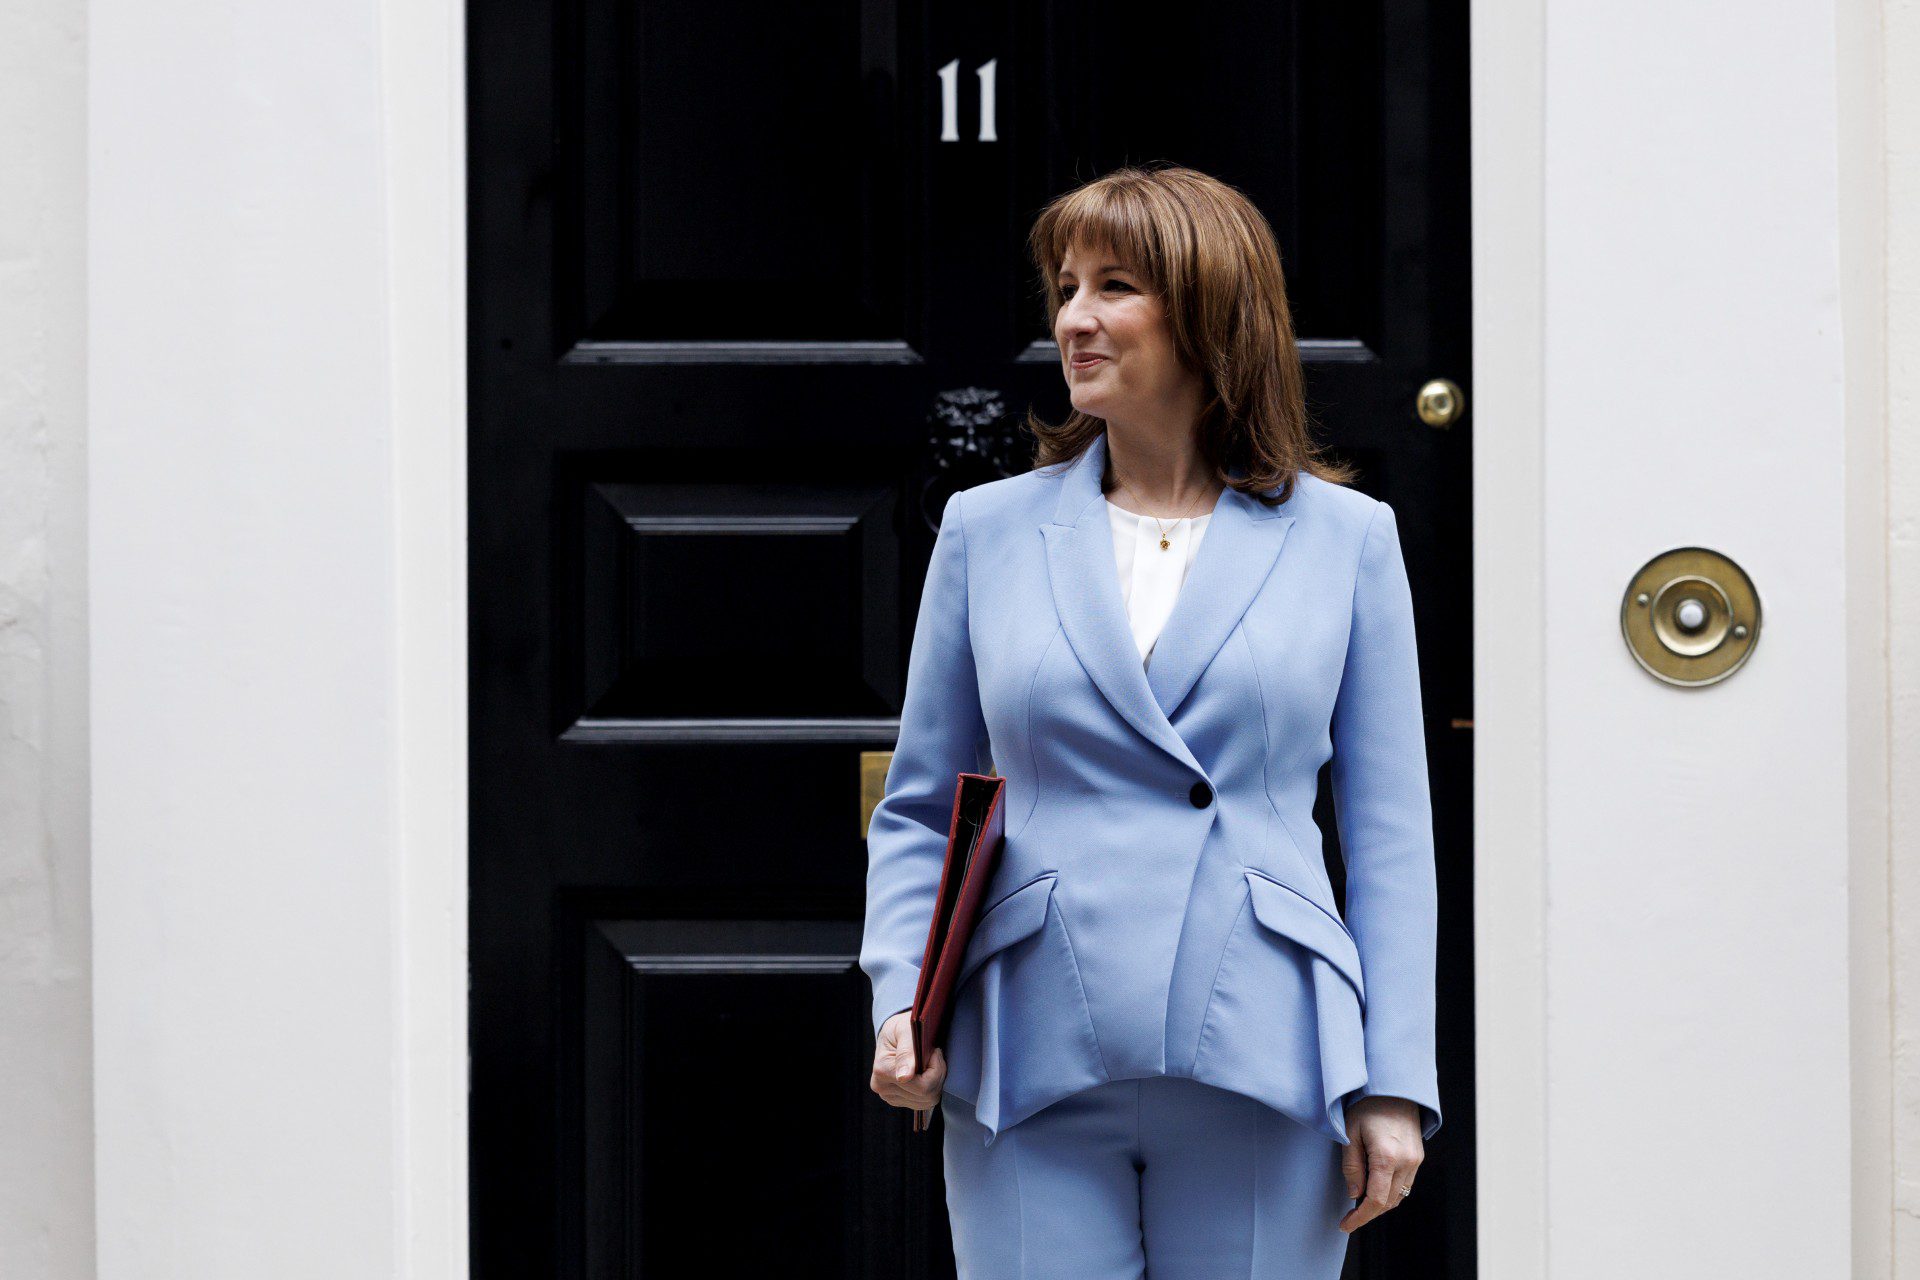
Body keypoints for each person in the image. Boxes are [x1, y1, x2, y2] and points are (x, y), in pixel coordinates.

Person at [859, 164, 1440, 1277]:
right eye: (1065, 286)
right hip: (1033, 1038)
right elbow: (924, 803)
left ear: (1211, 308)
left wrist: (1394, 1081)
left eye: (1114, 286)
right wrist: (901, 988)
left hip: (1264, 1036)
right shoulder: (987, 531)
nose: (1073, 317)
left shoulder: (1347, 540)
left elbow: (1389, 837)